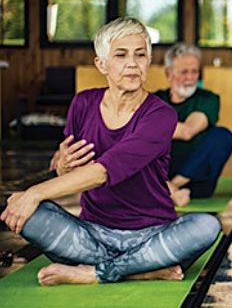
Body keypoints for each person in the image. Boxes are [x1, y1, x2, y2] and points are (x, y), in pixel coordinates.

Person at [1, 18, 220, 286]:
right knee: (27, 214)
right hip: (92, 233)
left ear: (149, 62)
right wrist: (62, 166)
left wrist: (34, 192)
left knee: (206, 227)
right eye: (121, 55)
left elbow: (104, 171)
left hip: (152, 234)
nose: (132, 63)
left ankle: (97, 272)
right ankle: (142, 268)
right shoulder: (83, 103)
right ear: (101, 64)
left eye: (140, 55)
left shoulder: (161, 114)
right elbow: (63, 163)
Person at [155, 43, 232, 207]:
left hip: (197, 180)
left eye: (194, 72)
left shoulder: (208, 99)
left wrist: (152, 128)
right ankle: (167, 189)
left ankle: (170, 189)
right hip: (160, 174)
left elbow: (187, 131)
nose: (190, 78)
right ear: (168, 74)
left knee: (223, 136)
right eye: (184, 72)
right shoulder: (154, 101)